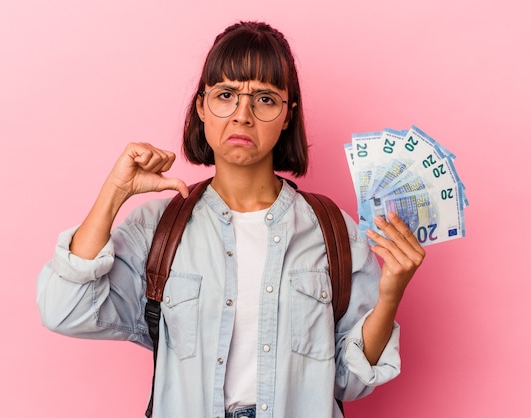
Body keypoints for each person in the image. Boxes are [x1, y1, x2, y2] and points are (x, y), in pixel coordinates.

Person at [36, 21, 425, 418]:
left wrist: (392, 292)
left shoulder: (333, 231)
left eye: (265, 99)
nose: (243, 115)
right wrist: (114, 192)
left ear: (288, 115)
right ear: (201, 106)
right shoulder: (158, 229)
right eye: (226, 95)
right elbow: (64, 309)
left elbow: (351, 381)